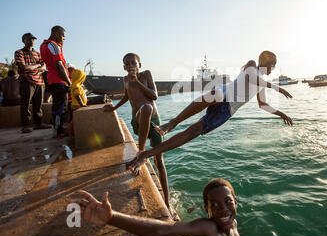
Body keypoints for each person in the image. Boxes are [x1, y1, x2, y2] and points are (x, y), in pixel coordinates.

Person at [128, 51, 293, 174]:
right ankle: (172, 123)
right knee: (217, 93)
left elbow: (262, 104)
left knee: (193, 131)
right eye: (273, 64)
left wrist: (281, 114)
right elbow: (251, 78)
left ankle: (145, 155)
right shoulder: (251, 66)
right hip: (224, 93)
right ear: (267, 62)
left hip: (227, 110)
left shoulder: (262, 83)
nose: (273, 68)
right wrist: (276, 87)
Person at [103, 53, 170, 211]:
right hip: (138, 120)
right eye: (127, 63)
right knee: (146, 107)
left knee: (159, 160)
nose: (131, 65)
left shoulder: (146, 75)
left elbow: (154, 95)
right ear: (124, 67)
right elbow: (127, 97)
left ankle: (167, 202)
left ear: (139, 64)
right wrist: (113, 108)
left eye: (134, 62)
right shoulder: (125, 80)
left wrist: (138, 81)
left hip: (155, 120)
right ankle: (141, 153)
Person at [71, 178, 240, 236]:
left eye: (228, 202)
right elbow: (161, 230)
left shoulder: (233, 225)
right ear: (207, 209)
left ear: (236, 202)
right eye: (214, 205)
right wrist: (112, 217)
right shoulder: (208, 227)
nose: (223, 209)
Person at [14, 33, 51, 133]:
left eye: (33, 39)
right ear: (23, 40)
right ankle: (25, 125)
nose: (31, 41)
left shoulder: (38, 54)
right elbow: (23, 68)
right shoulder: (19, 52)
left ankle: (38, 123)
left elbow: (44, 67)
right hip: (26, 81)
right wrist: (38, 65)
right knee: (25, 104)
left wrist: (34, 67)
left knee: (38, 104)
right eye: (29, 39)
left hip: (39, 81)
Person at [40, 26, 71, 137]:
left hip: (53, 80)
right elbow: (59, 65)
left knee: (57, 105)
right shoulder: (53, 45)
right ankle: (58, 130)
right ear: (55, 33)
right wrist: (68, 81)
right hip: (58, 80)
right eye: (63, 36)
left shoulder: (43, 46)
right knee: (60, 106)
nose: (64, 39)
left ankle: (57, 128)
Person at [67, 68, 87, 136]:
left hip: (75, 106)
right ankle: (69, 132)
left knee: (74, 120)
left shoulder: (74, 85)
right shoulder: (76, 86)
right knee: (74, 121)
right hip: (77, 106)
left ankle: (71, 132)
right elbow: (77, 96)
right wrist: (82, 104)